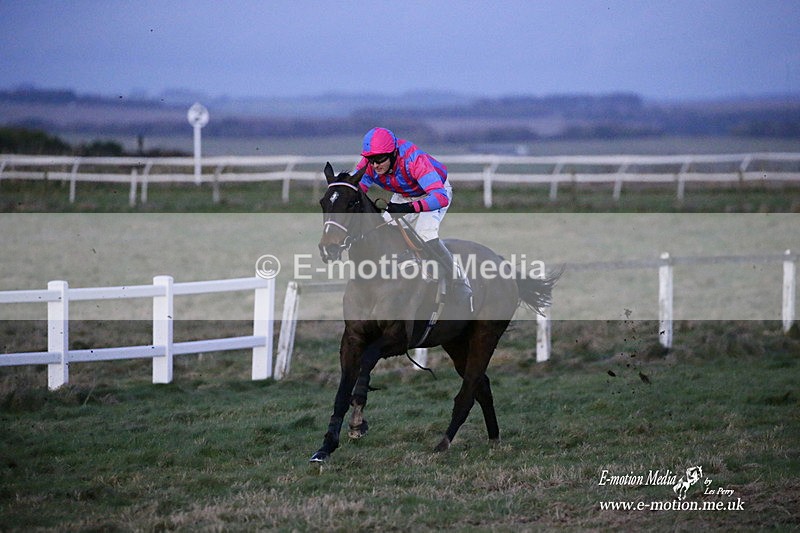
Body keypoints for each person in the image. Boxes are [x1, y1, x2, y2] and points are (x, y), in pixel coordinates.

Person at [354, 127, 472, 310]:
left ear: (393, 154)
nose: (375, 165)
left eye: (379, 160)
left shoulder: (414, 160)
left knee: (424, 234)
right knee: (382, 231)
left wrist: (408, 208)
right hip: (404, 194)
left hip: (433, 192)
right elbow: (357, 189)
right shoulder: (370, 163)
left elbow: (440, 197)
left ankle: (460, 283)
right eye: (370, 160)